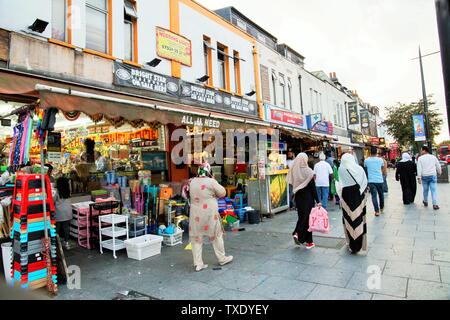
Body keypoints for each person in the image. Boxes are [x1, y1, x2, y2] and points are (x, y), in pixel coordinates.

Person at [187, 163, 233, 272]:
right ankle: (222, 258)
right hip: (210, 215)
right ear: (209, 171)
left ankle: (198, 264)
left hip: (196, 215)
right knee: (217, 236)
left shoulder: (192, 182)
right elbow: (222, 193)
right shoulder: (211, 182)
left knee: (196, 238)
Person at [288, 153, 321, 250]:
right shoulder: (309, 171)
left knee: (302, 217)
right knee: (307, 219)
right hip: (308, 199)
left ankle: (303, 238)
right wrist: (318, 200)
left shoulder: (294, 171)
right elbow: (313, 188)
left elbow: (291, 183)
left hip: (298, 198)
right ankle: (299, 235)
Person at [338, 153, 369, 254]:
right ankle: (359, 244)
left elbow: (340, 182)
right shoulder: (359, 169)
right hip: (357, 194)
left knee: (348, 219)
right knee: (359, 218)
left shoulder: (341, 169)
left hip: (346, 195)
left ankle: (351, 243)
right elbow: (364, 182)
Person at [417, 146, 442, 210]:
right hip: (432, 175)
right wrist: (439, 172)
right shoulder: (433, 157)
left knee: (425, 190)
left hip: (424, 176)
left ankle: (425, 201)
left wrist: (419, 178)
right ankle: (435, 204)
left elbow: (419, 168)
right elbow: (438, 165)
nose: (421, 151)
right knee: (433, 190)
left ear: (424, 150)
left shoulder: (420, 158)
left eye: (421, 150)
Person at [364, 147, 385, 217]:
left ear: (370, 152)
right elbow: (382, 168)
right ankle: (381, 207)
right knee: (381, 194)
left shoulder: (366, 160)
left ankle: (376, 211)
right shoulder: (380, 160)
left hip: (371, 180)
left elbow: (366, 170)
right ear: (376, 152)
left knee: (374, 196)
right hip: (379, 180)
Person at [54, 177, 72, 250]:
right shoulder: (68, 191)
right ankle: (66, 242)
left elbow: (53, 201)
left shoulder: (57, 192)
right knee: (66, 227)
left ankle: (56, 244)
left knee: (57, 228)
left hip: (59, 213)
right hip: (68, 212)